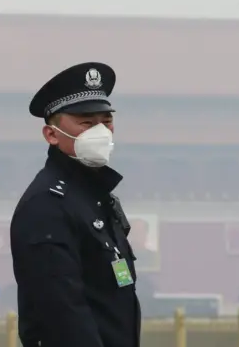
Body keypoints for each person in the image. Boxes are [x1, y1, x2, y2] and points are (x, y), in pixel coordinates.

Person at [10, 62, 141, 347]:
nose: (101, 132)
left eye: (106, 121)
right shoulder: (46, 205)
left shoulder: (97, 198)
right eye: (86, 122)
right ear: (52, 134)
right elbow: (62, 313)